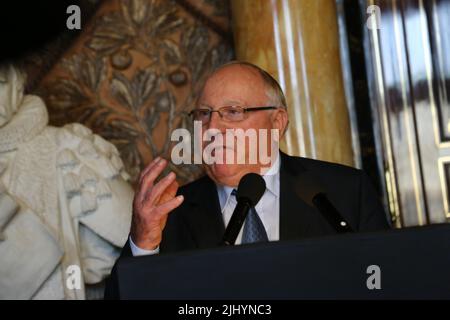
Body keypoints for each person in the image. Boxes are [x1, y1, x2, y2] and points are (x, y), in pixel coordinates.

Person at [105, 61, 389, 298]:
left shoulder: (345, 192)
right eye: (204, 115)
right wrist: (143, 244)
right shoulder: (168, 214)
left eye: (233, 112)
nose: (213, 128)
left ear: (276, 122)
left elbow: (388, 286)